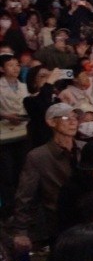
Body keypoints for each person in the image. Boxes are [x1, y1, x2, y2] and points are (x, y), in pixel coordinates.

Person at [9, 103, 78, 251]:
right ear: (51, 122)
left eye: (75, 117)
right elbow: (25, 195)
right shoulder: (38, 157)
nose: (73, 121)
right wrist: (21, 230)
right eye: (66, 117)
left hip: (89, 220)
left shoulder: (84, 149)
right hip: (59, 223)